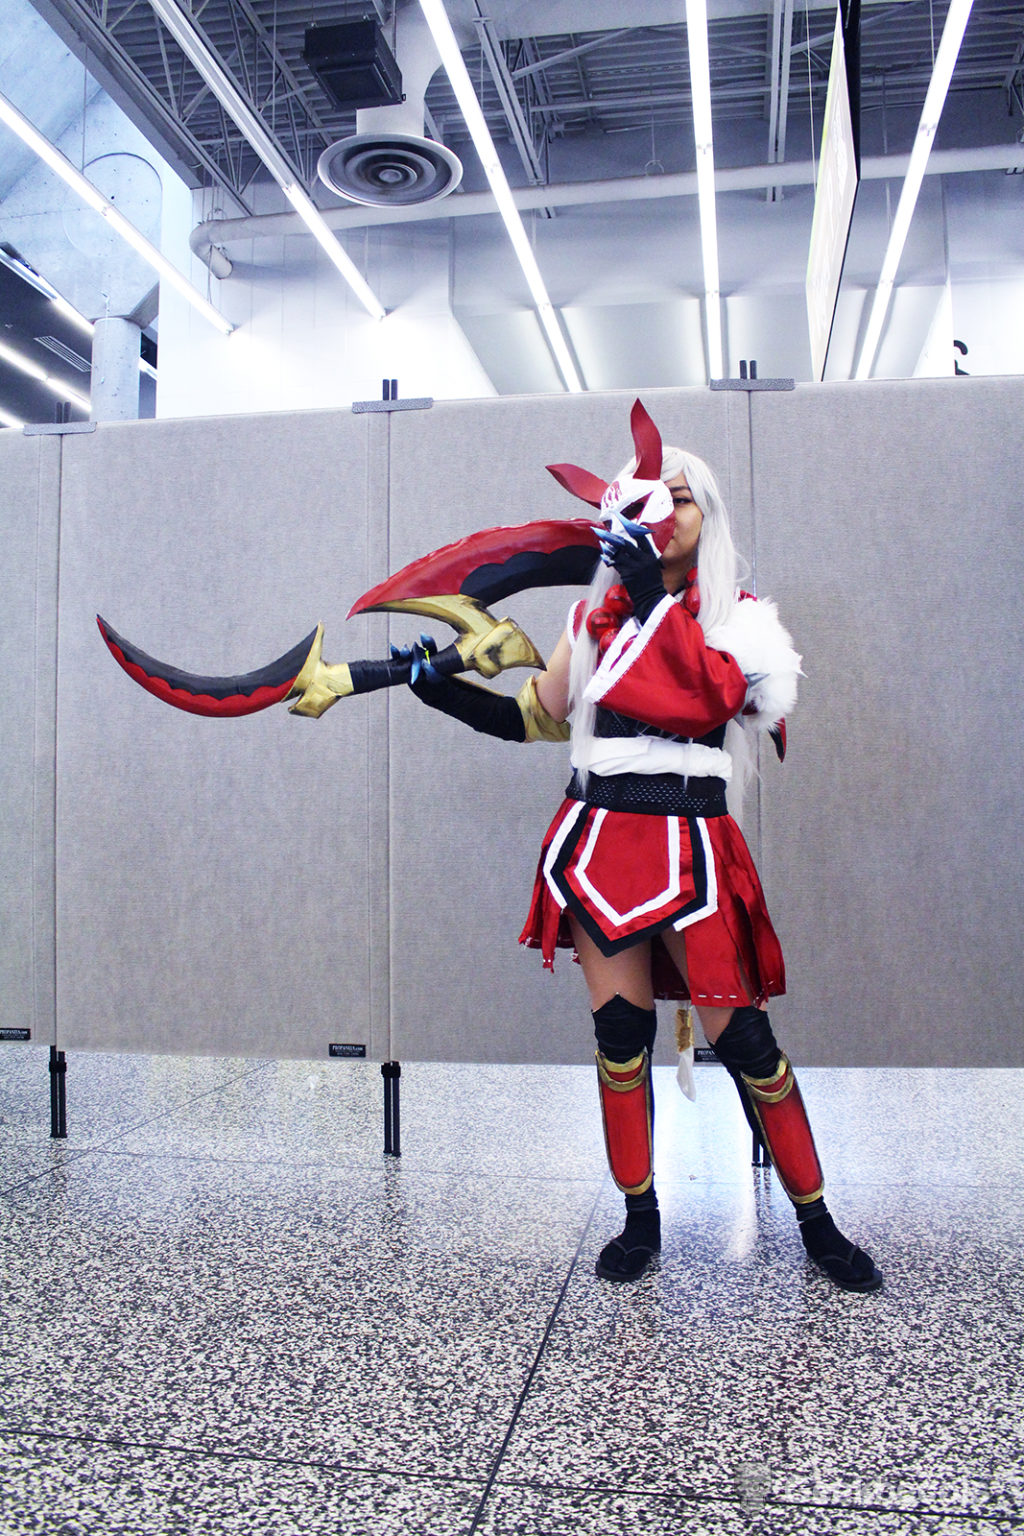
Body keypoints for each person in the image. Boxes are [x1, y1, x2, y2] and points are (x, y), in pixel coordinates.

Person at [403, 403, 881, 1293]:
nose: (665, 512)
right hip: (598, 841)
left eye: (682, 498)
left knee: (748, 1044)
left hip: (692, 847)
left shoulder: (742, 621)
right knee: (621, 1038)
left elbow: (708, 699)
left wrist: (655, 601)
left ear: (707, 515)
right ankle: (639, 1217)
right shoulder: (594, 619)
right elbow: (537, 718)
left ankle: (818, 1223)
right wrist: (442, 693)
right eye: (651, 498)